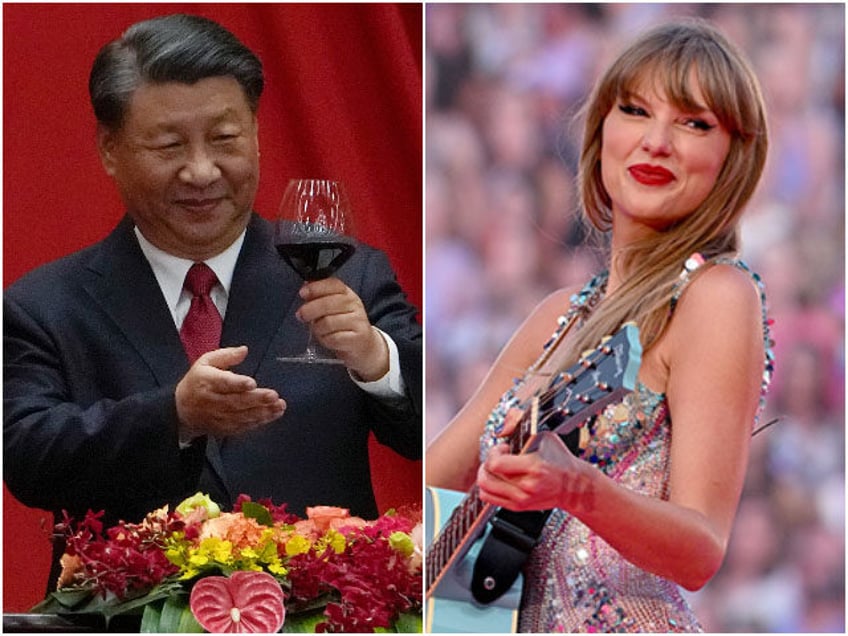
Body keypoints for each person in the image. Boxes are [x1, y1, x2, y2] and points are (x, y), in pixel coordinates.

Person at [4, 13, 421, 593]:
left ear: (255, 133)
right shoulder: (44, 305)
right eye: (168, 145)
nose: (201, 171)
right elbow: (27, 457)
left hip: (323, 614)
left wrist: (379, 361)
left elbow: (443, 430)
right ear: (109, 149)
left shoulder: (349, 273)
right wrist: (174, 415)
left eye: (225, 139)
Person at [426, 19, 773, 632]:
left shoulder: (717, 297)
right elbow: (427, 487)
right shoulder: (558, 316)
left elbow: (701, 550)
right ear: (602, 131)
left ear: (734, 157)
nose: (656, 141)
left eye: (694, 123)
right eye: (636, 110)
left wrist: (577, 488)